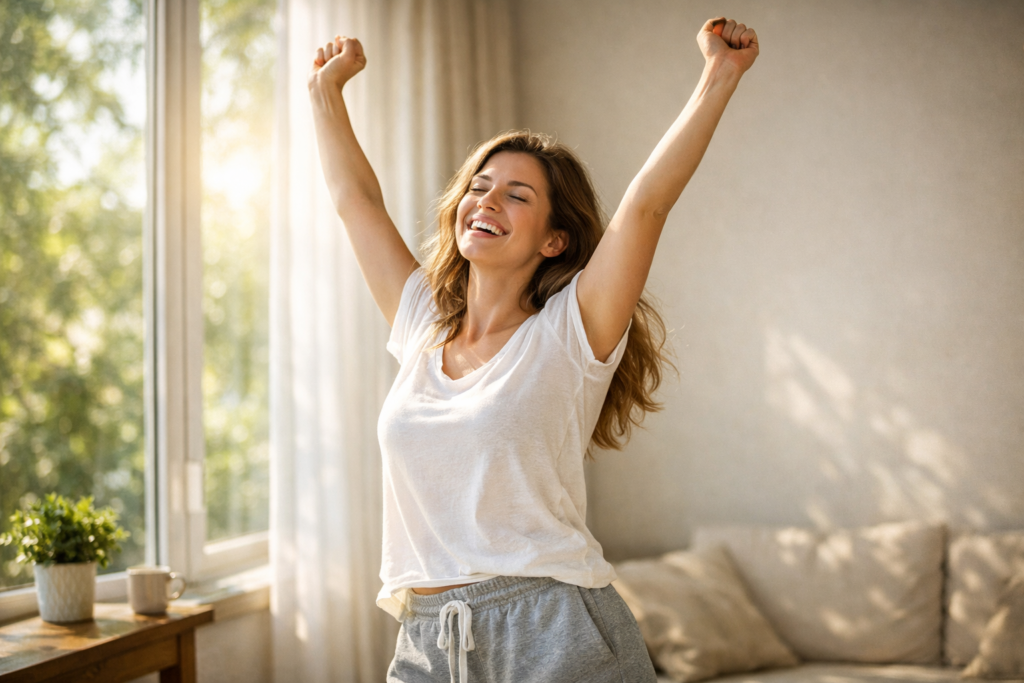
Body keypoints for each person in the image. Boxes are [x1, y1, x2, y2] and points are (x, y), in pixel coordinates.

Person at [308, 16, 758, 683]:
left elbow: (645, 208)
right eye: (480, 186)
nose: (486, 199)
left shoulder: (571, 332)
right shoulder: (421, 324)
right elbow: (354, 200)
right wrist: (324, 93)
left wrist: (719, 76)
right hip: (429, 637)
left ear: (554, 240)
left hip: (553, 627)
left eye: (517, 194)